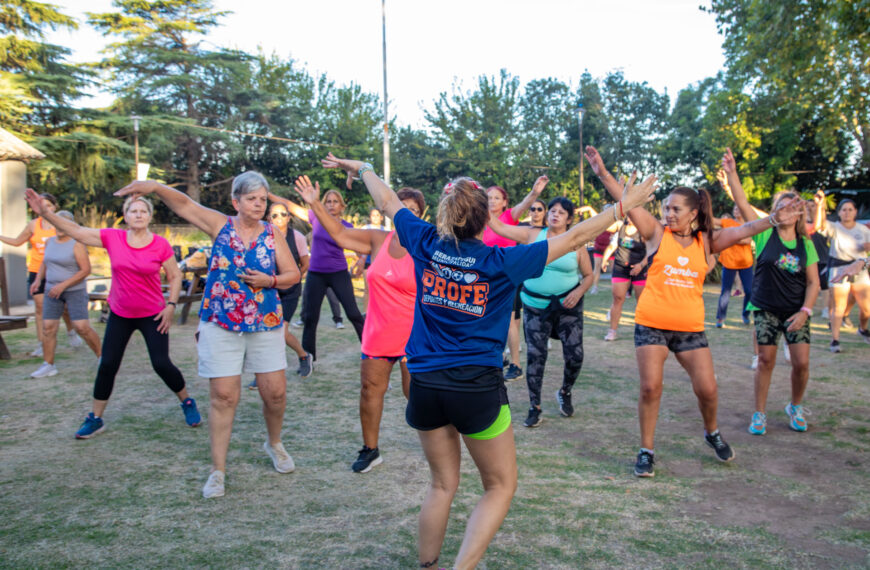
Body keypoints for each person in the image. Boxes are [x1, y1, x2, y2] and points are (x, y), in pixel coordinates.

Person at [321, 152, 657, 569]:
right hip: (476, 389)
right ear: (485, 220)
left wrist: (364, 168)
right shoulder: (503, 261)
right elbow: (573, 239)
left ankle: (429, 566)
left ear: (445, 216)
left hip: (425, 385)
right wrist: (623, 206)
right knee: (500, 485)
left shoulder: (425, 242)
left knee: (441, 485)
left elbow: (388, 201)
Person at [585, 145, 802, 478]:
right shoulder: (657, 233)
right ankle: (646, 450)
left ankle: (711, 432)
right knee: (650, 388)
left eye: (674, 209)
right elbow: (627, 203)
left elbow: (745, 230)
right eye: (665, 207)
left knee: (708, 389)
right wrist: (601, 171)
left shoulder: (708, 241)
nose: (667, 213)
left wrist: (773, 219)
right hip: (651, 324)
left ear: (692, 213)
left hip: (690, 330)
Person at [113, 172, 301, 499]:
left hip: (265, 322)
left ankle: (274, 443)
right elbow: (184, 205)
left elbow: (293, 274)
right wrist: (156, 188)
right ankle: (218, 470)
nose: (259, 204)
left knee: (275, 394)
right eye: (252, 199)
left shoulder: (273, 234)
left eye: (263, 199)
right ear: (236, 202)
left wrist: (268, 281)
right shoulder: (220, 225)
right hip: (221, 321)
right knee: (224, 397)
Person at [23, 193, 203, 438]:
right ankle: (96, 418)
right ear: (126, 216)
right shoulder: (112, 237)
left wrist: (171, 305)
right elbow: (76, 230)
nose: (138, 215)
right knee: (107, 364)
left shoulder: (159, 244)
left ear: (149, 216)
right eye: (133, 211)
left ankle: (187, 401)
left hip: (152, 314)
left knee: (161, 364)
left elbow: (174, 276)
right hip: (120, 313)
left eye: (143, 211)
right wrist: (45, 214)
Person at [295, 178, 425, 473]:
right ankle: (370, 449)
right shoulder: (376, 239)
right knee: (370, 390)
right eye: (401, 207)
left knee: (416, 394)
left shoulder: (426, 246)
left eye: (414, 210)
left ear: (420, 215)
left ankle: (439, 440)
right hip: (378, 333)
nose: (407, 214)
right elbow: (340, 233)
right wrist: (315, 203)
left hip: (414, 335)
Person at [722, 149, 820, 435]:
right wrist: (732, 173)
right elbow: (742, 202)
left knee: (801, 364)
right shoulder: (764, 234)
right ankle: (760, 413)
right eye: (782, 206)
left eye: (793, 206)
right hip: (765, 308)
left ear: (800, 212)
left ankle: (795, 405)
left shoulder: (806, 244)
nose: (788, 210)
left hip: (796, 311)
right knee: (766, 361)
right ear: (775, 211)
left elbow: (813, 283)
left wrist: (805, 312)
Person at [488, 197, 593, 428]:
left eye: (561, 212)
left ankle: (565, 391)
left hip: (567, 306)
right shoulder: (532, 235)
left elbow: (588, 275)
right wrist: (478, 206)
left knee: (575, 356)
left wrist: (579, 292)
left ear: (569, 219)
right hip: (535, 306)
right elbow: (500, 227)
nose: (555, 215)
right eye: (552, 211)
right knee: (536, 357)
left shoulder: (576, 242)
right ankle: (534, 406)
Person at [269, 188, 365, 362]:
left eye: (335, 201)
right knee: (310, 318)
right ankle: (308, 360)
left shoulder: (347, 227)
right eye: (328, 201)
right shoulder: (315, 218)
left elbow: (363, 248)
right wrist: (267, 194)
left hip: (339, 274)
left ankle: (370, 352)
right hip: (316, 274)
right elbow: (289, 205)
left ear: (341, 206)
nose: (331, 205)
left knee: (353, 314)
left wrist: (361, 261)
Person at [482, 177, 549, 382]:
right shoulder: (481, 221)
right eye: (489, 197)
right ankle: (499, 357)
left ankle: (516, 365)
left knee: (510, 321)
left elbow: (525, 204)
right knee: (491, 318)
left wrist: (535, 192)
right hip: (488, 277)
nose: (492, 201)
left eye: (497, 198)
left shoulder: (509, 217)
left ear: (504, 202)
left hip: (508, 275)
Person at [0, 192, 80, 356]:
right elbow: (17, 242)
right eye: (41, 205)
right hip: (37, 270)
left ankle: (71, 331)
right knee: (39, 306)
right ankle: (41, 344)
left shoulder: (60, 224)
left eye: (48, 205)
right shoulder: (33, 225)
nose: (44, 208)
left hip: (58, 270)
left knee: (63, 307)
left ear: (54, 207)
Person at [27, 211, 102, 378]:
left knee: (81, 327)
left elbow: (85, 270)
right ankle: (48, 365)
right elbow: (44, 263)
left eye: (64, 223)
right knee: (48, 328)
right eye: (58, 223)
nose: (60, 227)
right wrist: (38, 280)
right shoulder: (50, 242)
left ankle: (102, 358)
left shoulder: (77, 243)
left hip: (74, 291)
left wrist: (63, 286)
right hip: (51, 291)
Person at [248, 202, 312, 389]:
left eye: (283, 214)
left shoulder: (297, 237)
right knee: (264, 331)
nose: (279, 219)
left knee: (280, 331)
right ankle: (261, 374)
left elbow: (305, 263)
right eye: (274, 215)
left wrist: (293, 278)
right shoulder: (261, 235)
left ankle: (303, 355)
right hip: (267, 289)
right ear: (269, 218)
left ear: (289, 217)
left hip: (290, 290)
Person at [816, 193, 870, 351]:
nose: (847, 212)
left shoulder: (863, 230)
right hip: (838, 268)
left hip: (859, 268)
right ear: (839, 212)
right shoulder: (834, 227)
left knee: (866, 308)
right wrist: (820, 205)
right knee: (839, 306)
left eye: (850, 209)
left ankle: (862, 328)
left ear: (855, 212)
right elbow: (820, 225)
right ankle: (835, 340)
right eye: (844, 210)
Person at [601, 218, 647, 341]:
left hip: (639, 268)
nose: (631, 217)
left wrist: (641, 265)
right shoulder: (620, 227)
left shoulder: (643, 230)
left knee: (642, 301)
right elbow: (612, 246)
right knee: (618, 299)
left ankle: (643, 330)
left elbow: (651, 251)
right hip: (621, 267)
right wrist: (604, 260)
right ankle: (612, 331)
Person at [352, 207, 387, 310]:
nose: (375, 218)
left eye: (377, 215)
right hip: (367, 262)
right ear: (370, 217)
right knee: (367, 288)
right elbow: (356, 243)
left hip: (381, 263)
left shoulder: (385, 230)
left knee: (381, 288)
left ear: (381, 217)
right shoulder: (365, 228)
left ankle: (380, 311)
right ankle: (366, 313)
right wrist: (361, 257)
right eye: (373, 215)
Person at [586, 205, 621, 295]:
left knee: (614, 268)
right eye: (605, 210)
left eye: (609, 210)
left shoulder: (615, 222)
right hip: (599, 247)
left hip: (610, 248)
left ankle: (615, 287)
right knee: (597, 267)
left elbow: (620, 232)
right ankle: (595, 287)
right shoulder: (599, 221)